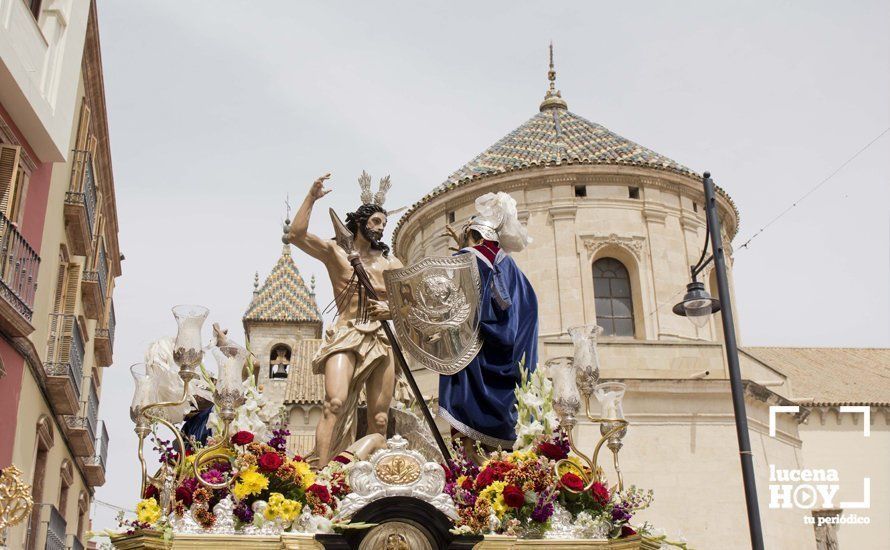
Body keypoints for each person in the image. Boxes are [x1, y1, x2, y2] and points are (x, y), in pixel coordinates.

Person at [286, 172, 403, 465]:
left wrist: (392, 310)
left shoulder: (391, 263)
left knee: (379, 418)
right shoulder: (336, 252)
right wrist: (311, 197)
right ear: (361, 221)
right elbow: (296, 235)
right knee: (334, 403)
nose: (380, 228)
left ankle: (373, 478)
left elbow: (411, 304)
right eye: (376, 221)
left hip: (382, 337)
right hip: (347, 331)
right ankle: (321, 476)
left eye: (384, 224)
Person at [438, 192, 538, 456]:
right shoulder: (514, 270)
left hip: (476, 370)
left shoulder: (470, 258)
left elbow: (438, 299)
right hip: (512, 371)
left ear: (476, 237)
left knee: (470, 453)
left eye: (466, 237)